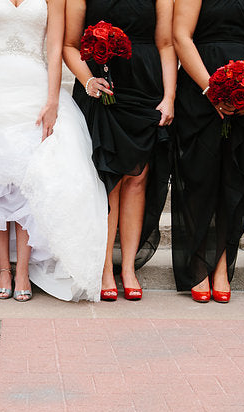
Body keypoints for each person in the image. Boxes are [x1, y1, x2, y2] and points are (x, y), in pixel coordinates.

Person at [0, 0, 107, 302]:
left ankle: (22, 268)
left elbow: (54, 50)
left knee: (31, 172)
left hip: (36, 87)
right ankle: (3, 268)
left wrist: (53, 101)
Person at [171, 0, 244, 303]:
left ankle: (221, 263)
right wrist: (210, 88)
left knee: (237, 181)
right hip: (200, 86)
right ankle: (198, 262)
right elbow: (181, 35)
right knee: (200, 178)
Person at [65, 0, 176, 302]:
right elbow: (69, 44)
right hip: (101, 87)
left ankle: (128, 268)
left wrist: (169, 96)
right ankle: (103, 269)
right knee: (107, 178)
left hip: (145, 87)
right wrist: (87, 79)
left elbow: (165, 44)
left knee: (137, 178)